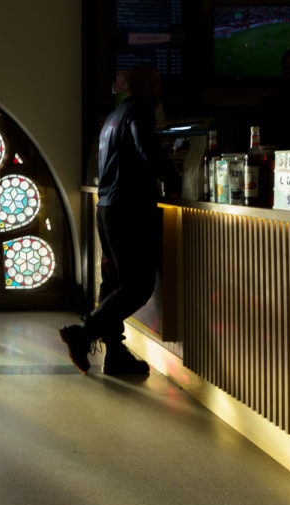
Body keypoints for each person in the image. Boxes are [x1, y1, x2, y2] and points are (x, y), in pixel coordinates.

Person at [60, 66, 180, 375]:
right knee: (138, 285)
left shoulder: (114, 117)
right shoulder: (140, 110)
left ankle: (115, 354)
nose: (160, 93)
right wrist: (173, 179)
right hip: (131, 209)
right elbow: (147, 150)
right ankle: (84, 332)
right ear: (149, 87)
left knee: (113, 282)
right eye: (157, 86)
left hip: (108, 207)